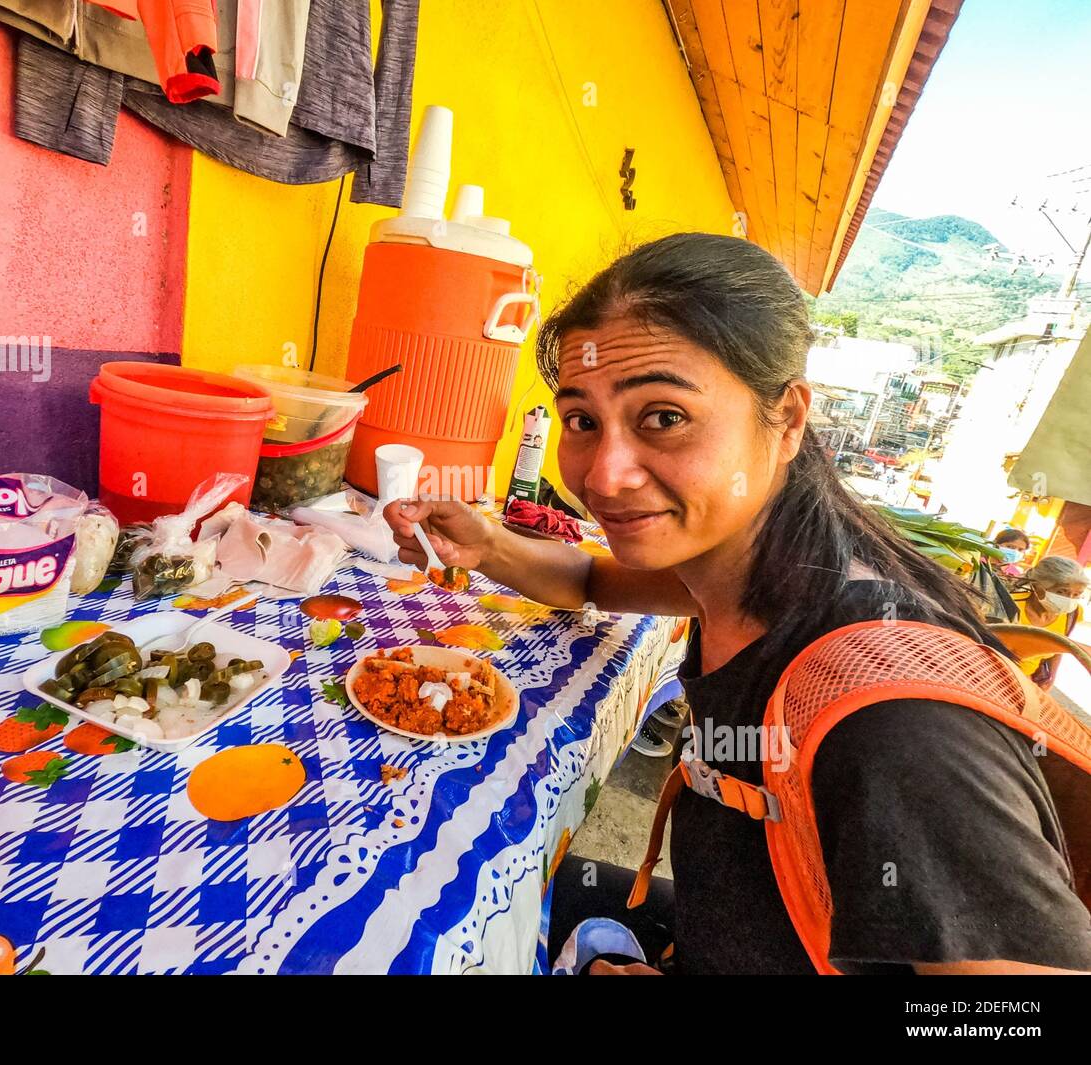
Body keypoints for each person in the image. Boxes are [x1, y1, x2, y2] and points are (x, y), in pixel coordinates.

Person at [384, 233, 1091, 975]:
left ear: (786, 419)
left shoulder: (896, 726)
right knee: (482, 892)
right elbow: (589, 582)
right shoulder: (743, 563)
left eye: (663, 416)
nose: (604, 474)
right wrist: (486, 544)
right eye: (583, 421)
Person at [1011, 555, 1088, 690]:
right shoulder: (1010, 605)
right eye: (1062, 592)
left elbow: (1058, 644)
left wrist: (1051, 675)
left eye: (1076, 595)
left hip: (1026, 683)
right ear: (1037, 587)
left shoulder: (1073, 614)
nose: (1069, 600)